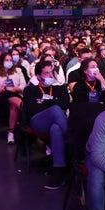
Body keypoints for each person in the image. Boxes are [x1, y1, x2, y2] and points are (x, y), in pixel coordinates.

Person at [21, 61, 70, 190]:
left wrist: (43, 102)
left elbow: (65, 103)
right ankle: (71, 145)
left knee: (56, 129)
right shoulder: (30, 89)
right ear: (38, 76)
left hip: (55, 122)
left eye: (51, 72)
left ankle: (59, 169)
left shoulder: (59, 87)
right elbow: (33, 108)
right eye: (46, 73)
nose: (50, 76)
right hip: (37, 121)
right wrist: (53, 102)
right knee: (55, 109)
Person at [0, 53, 26, 145]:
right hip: (0, 100)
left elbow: (23, 86)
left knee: (13, 105)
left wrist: (14, 89)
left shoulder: (18, 71)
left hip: (15, 97)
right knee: (6, 92)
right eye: (6, 60)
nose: (9, 62)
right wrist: (4, 88)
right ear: (2, 62)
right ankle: (24, 107)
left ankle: (11, 133)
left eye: (10, 60)